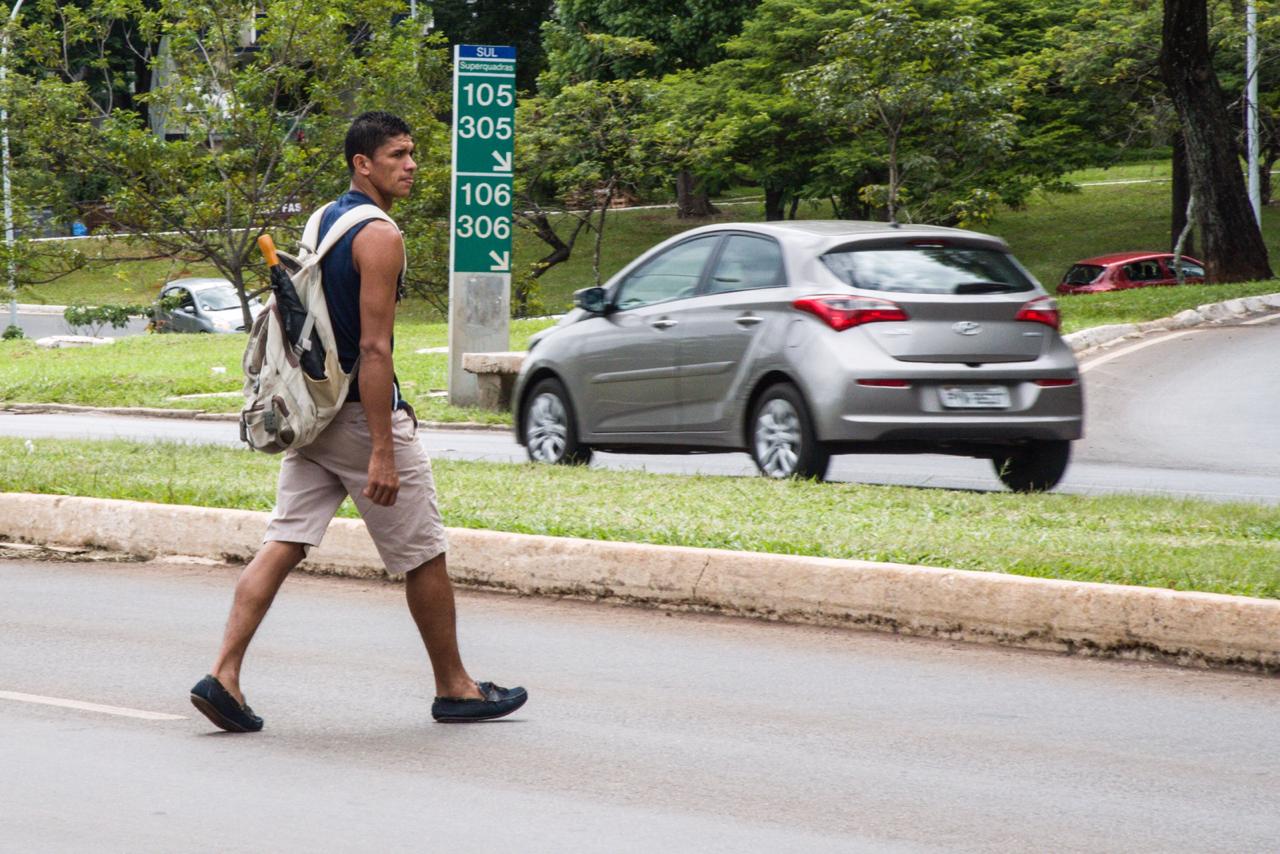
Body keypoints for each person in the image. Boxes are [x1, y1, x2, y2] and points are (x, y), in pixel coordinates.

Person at [190, 111, 527, 732]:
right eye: (398, 154)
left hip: (313, 413)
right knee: (424, 553)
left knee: (284, 541)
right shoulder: (381, 236)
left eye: (412, 153)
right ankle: (456, 688)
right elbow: (374, 349)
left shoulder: (324, 219)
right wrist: (382, 449)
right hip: (356, 417)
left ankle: (225, 676)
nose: (411, 164)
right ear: (362, 164)